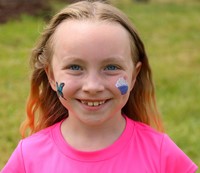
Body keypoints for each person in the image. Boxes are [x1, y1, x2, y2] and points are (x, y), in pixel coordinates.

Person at [1, 1, 198, 172]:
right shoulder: (29, 157)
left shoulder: (161, 154)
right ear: (51, 76)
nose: (92, 86)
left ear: (133, 75)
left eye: (111, 67)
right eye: (75, 67)